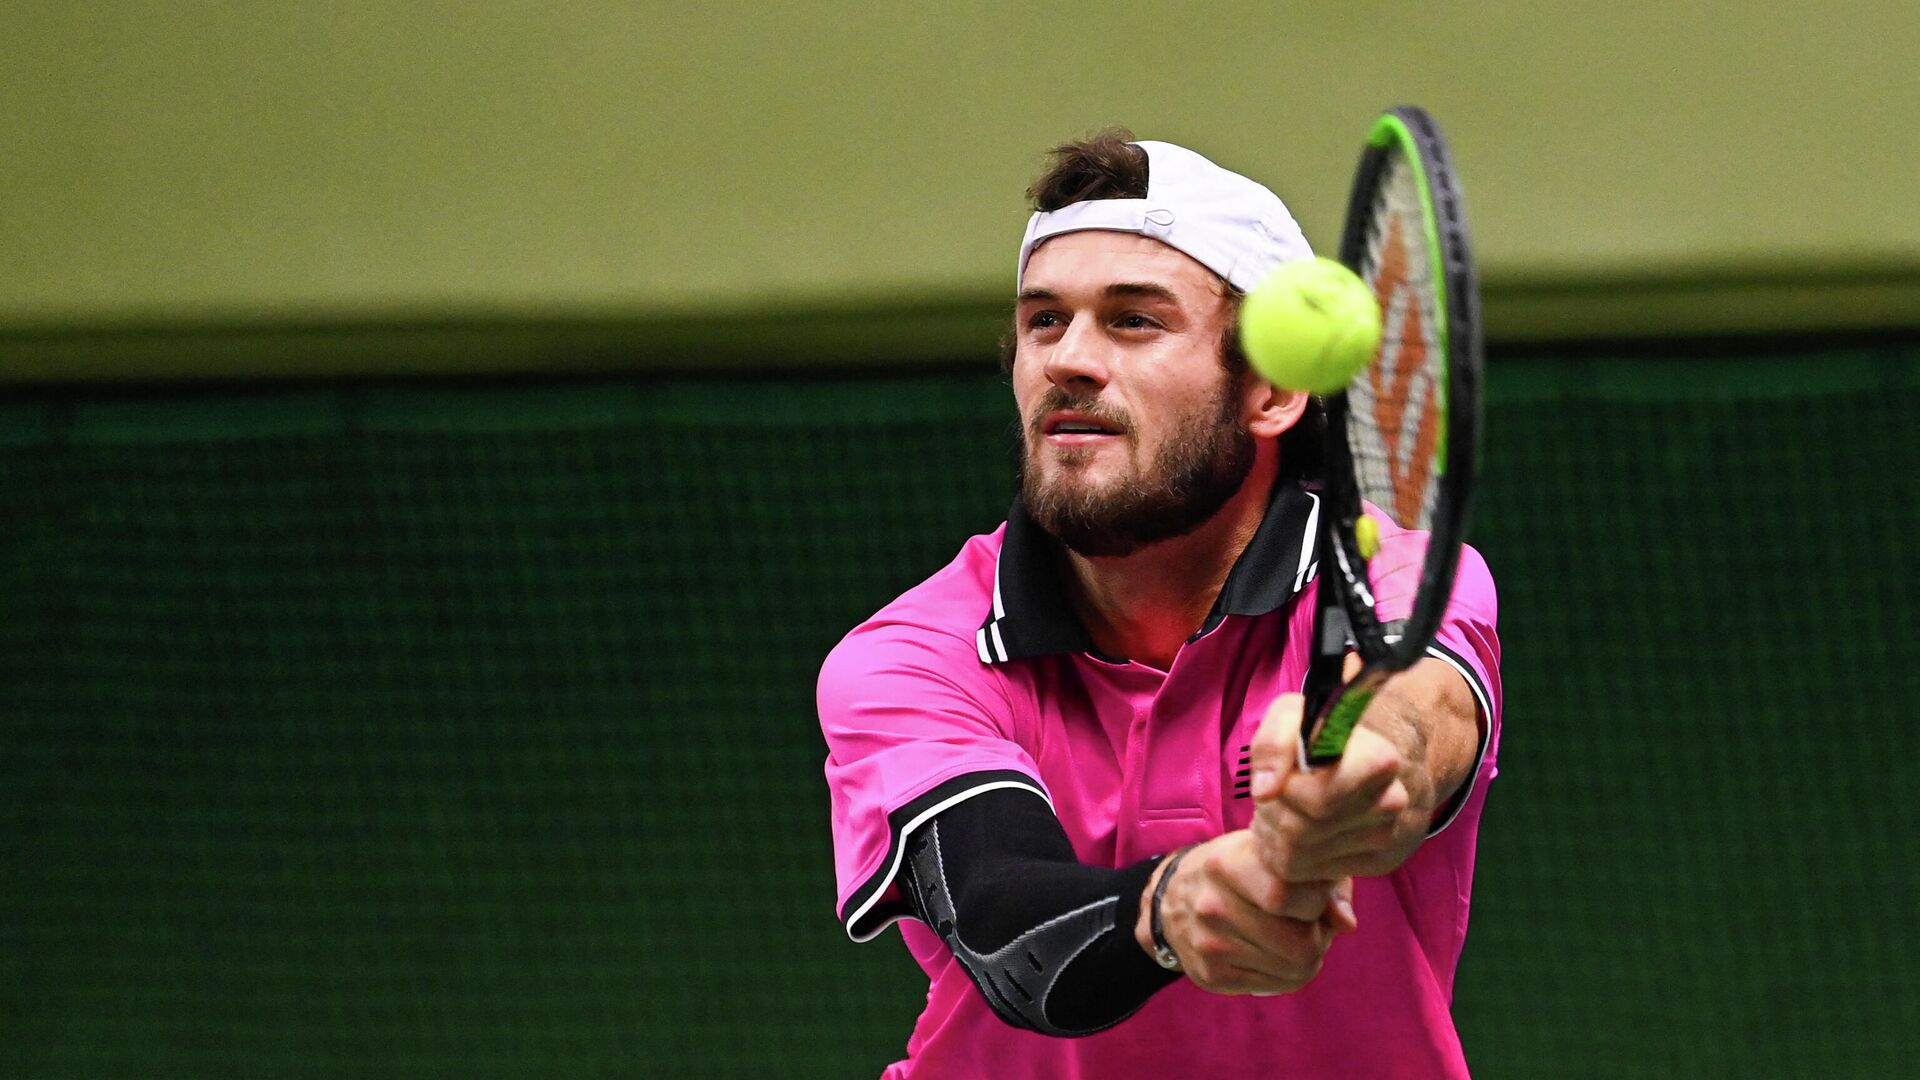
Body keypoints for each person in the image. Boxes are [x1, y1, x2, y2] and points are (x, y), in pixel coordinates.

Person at [817, 129, 1502, 1079]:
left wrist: (1358, 781)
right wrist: (1169, 909)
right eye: (1043, 321)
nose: (1070, 360)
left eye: (1134, 321)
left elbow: (1416, 717)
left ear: (1270, 392)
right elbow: (1005, 920)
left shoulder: (1402, 583)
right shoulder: (911, 656)